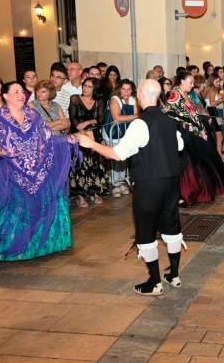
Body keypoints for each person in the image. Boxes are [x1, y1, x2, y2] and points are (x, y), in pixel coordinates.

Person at [76, 79, 185, 296]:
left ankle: (154, 282)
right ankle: (174, 274)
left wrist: (91, 144)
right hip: (172, 182)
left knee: (146, 231)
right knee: (171, 227)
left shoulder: (140, 123)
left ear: (141, 97)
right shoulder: (170, 119)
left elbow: (118, 154)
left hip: (149, 184)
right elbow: (179, 146)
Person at [0, 81, 80, 262]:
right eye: (15, 92)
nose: (20, 94)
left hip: (38, 171)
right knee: (3, 210)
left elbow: (46, 138)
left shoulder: (33, 115)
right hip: (10, 170)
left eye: (21, 92)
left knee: (47, 204)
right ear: (5, 96)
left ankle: (39, 245)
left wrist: (68, 140)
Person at [165, 71, 224, 207]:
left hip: (196, 130)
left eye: (193, 82)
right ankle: (188, 193)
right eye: (190, 82)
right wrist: (183, 122)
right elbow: (169, 113)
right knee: (191, 163)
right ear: (182, 82)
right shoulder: (174, 94)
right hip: (187, 133)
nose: (192, 85)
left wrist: (201, 113)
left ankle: (200, 191)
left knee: (203, 159)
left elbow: (192, 110)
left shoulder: (186, 94)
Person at [69, 77, 109, 208]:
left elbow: (101, 119)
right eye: (84, 85)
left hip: (94, 137)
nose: (85, 88)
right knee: (80, 166)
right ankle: (80, 195)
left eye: (89, 86)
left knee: (95, 166)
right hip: (79, 137)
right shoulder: (75, 99)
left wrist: (88, 122)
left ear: (95, 89)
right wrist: (92, 121)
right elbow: (75, 123)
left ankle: (94, 192)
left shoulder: (99, 101)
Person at [106, 79, 139, 197]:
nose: (126, 92)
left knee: (124, 156)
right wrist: (136, 116)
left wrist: (134, 116)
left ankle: (122, 181)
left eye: (129, 89)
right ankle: (115, 183)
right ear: (119, 89)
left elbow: (135, 115)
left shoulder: (133, 100)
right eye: (123, 89)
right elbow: (117, 118)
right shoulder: (115, 99)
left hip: (126, 132)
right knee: (116, 156)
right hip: (114, 132)